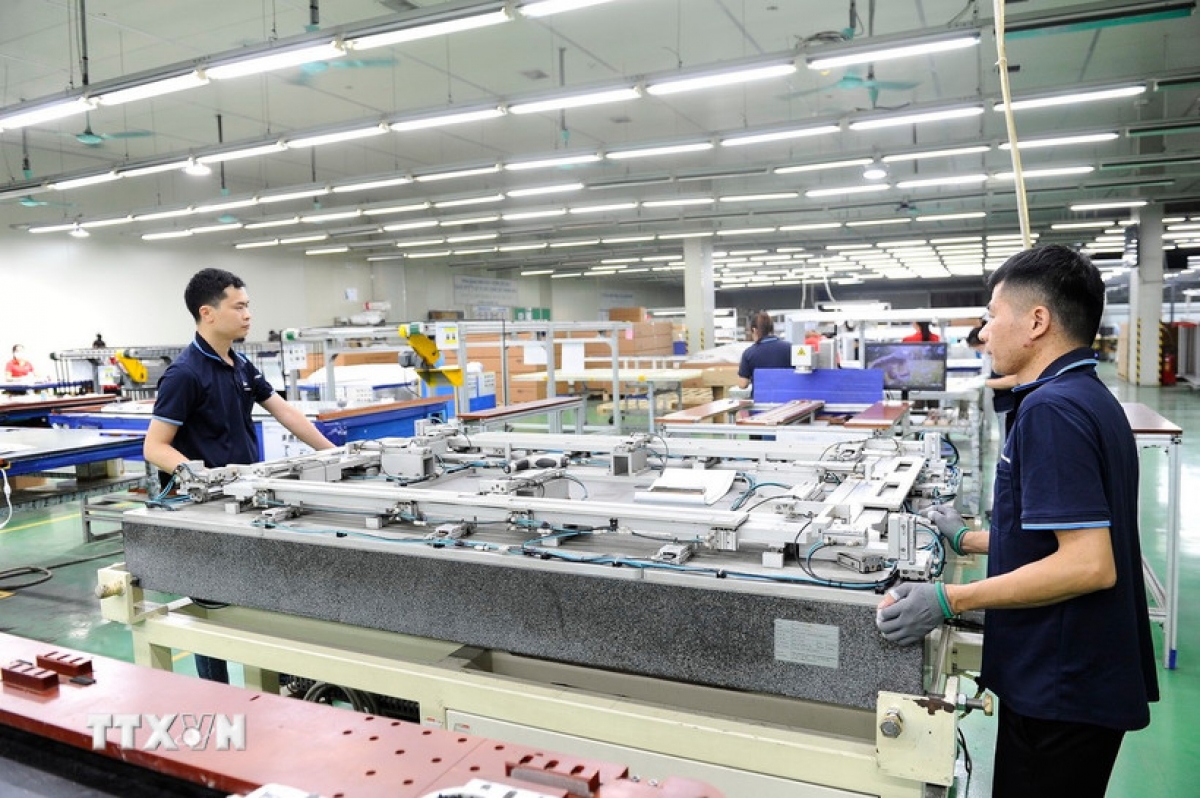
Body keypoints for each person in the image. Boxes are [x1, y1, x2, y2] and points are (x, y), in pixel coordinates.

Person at [876, 245, 1158, 797]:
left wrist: (949, 598)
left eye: (993, 314)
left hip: (1061, 689)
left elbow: (1088, 564)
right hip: (1076, 678)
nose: (984, 333)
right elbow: (1055, 535)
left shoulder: (1054, 411)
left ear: (1037, 321)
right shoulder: (1084, 396)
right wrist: (969, 538)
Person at [144, 268, 337, 683]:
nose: (248, 314)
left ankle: (274, 680)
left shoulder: (240, 364)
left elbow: (284, 411)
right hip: (205, 508)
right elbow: (155, 446)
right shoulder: (185, 373)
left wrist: (336, 454)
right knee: (209, 603)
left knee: (253, 590)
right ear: (208, 313)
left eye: (248, 306)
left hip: (246, 498)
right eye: (239, 306)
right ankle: (216, 690)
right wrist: (199, 477)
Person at [737, 312, 792, 396]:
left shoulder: (749, 353)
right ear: (771, 329)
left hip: (761, 400)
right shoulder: (790, 348)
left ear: (754, 330)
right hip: (787, 399)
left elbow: (743, 384)